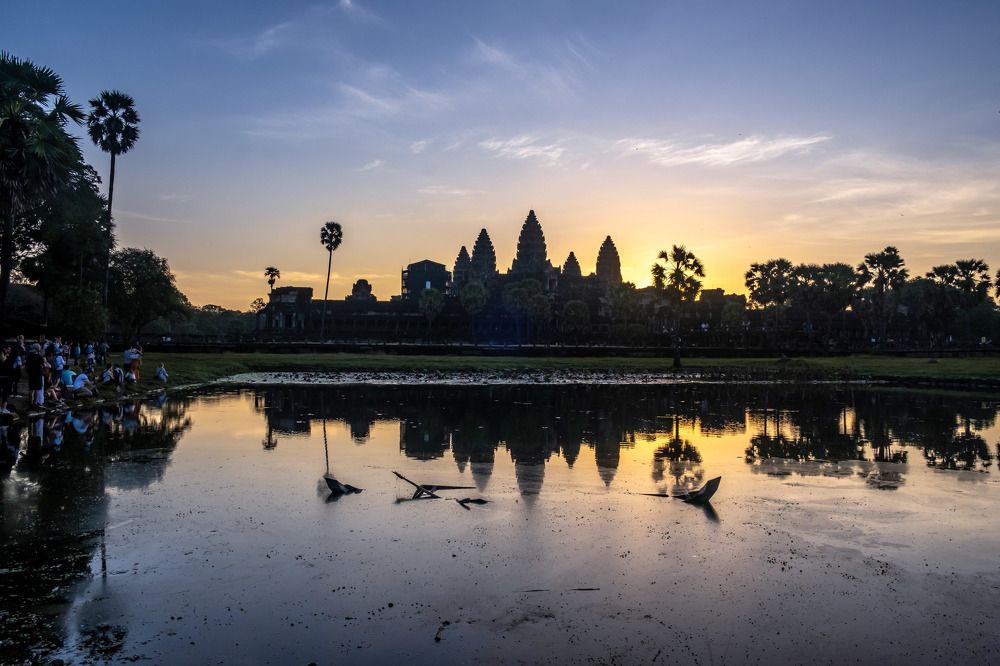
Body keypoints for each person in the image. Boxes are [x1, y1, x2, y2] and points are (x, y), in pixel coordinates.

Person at [26, 344, 45, 408]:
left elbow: (26, 365)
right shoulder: (40, 357)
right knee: (37, 389)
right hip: (38, 374)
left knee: (31, 389)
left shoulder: (29, 356)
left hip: (31, 374)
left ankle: (31, 403)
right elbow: (42, 365)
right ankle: (35, 403)